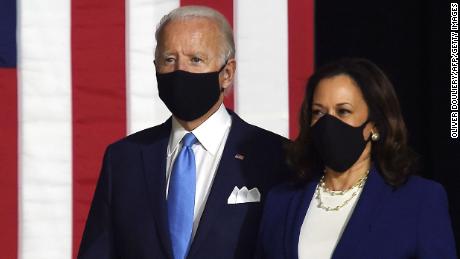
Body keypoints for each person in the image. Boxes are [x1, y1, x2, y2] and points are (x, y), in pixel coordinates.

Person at [77, 6, 288, 259]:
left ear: (227, 73)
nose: (180, 70)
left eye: (195, 60)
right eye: (169, 60)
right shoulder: (123, 158)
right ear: (156, 67)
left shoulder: (276, 157)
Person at [256, 58, 457, 259]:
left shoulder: (419, 200)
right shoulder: (281, 200)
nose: (329, 122)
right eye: (319, 112)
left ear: (374, 125)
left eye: (343, 111)